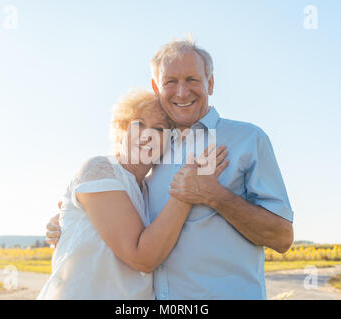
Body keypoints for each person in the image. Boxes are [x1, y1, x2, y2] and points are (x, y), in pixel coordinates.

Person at [47, 37, 294, 299]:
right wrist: (70, 222)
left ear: (210, 83)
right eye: (170, 82)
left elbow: (282, 238)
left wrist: (215, 196)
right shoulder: (151, 154)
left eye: (192, 80)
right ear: (156, 87)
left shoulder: (248, 140)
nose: (182, 92)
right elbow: (117, 207)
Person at [38, 89, 228, 299]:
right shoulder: (99, 170)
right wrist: (186, 190)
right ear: (122, 129)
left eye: (159, 129)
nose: (147, 135)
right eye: (139, 124)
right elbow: (142, 258)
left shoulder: (150, 190)